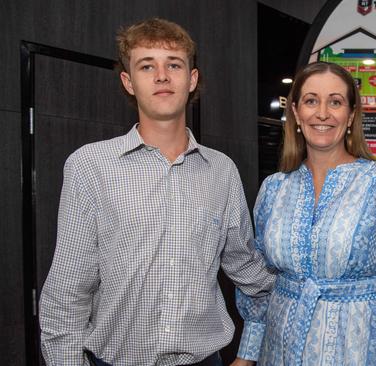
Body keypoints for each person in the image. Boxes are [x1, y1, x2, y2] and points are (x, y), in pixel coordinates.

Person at [39, 18, 275, 365]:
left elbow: (251, 273)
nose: (162, 76)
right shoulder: (89, 166)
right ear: (128, 81)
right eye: (147, 66)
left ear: (191, 79)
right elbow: (66, 294)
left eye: (174, 65)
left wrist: (249, 353)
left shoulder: (221, 171)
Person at [234, 62, 376, 365]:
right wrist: (247, 354)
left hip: (355, 348)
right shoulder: (274, 188)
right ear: (296, 112)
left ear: (351, 115)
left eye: (335, 102)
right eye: (311, 100)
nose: (322, 113)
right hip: (279, 348)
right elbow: (260, 283)